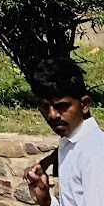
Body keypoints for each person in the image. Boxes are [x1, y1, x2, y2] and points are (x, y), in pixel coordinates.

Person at [26, 56, 103, 205]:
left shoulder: (95, 154)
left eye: (61, 106)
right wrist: (47, 201)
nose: (52, 115)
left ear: (84, 104)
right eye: (44, 106)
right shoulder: (71, 143)